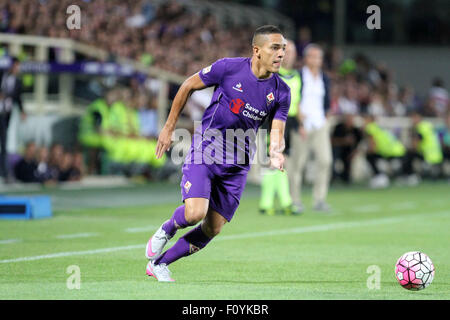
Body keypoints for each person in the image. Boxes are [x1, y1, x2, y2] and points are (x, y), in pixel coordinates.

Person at [145, 25, 291, 282]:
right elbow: (188, 85)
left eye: (284, 49)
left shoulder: (281, 91)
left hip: (238, 162)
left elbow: (277, 128)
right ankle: (168, 228)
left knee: (213, 228)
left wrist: (276, 152)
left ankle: (160, 264)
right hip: (208, 149)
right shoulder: (228, 68)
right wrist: (168, 128)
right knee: (194, 214)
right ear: (257, 50)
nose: (281, 54)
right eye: (275, 48)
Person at [288, 43, 332, 212]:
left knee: (325, 161)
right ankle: (295, 200)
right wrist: (299, 123)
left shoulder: (324, 78)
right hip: (303, 125)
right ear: (306, 59)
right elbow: (295, 99)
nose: (316, 60)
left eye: (319, 57)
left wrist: (326, 118)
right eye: (312, 56)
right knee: (298, 164)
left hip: (320, 124)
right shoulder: (298, 75)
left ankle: (319, 199)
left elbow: (326, 101)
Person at [259, 39, 300, 216]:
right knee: (273, 159)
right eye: (286, 51)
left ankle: (273, 202)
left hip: (289, 122)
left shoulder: (297, 76)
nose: (288, 55)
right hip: (274, 119)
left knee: (280, 160)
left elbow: (297, 101)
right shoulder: (272, 73)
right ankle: (280, 201)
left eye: (292, 52)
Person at [0, 57, 26, 183]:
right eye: (16, 66)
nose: (17, 69)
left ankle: (5, 174)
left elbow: (18, 98)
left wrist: (22, 111)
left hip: (5, 115)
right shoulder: (2, 75)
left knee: (4, 145)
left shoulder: (17, 81)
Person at [331, 113, 363, 184]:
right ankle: (333, 177)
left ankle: (345, 178)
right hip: (337, 150)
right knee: (333, 158)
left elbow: (359, 144)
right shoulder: (339, 127)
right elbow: (332, 140)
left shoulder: (356, 131)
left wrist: (354, 153)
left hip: (349, 152)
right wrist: (344, 141)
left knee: (348, 163)